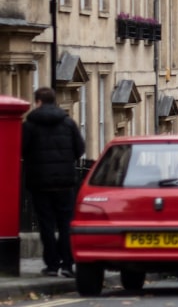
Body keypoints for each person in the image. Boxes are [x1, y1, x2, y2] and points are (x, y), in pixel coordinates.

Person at [21, 87, 86, 278]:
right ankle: (67, 264)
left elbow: (22, 150)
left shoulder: (30, 124)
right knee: (65, 223)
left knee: (46, 224)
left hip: (40, 182)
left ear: (38, 101)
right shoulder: (68, 122)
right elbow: (80, 149)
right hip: (65, 182)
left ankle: (51, 265)